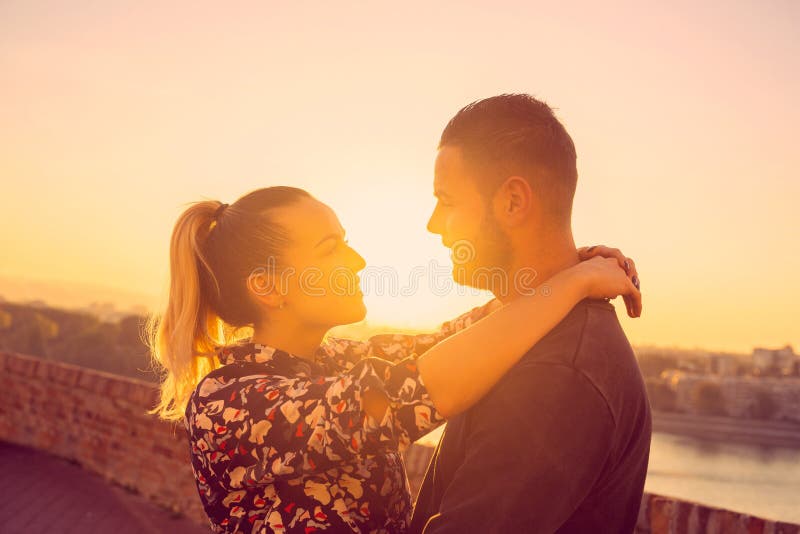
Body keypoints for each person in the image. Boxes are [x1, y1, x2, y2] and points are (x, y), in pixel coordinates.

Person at [147, 186, 640, 533]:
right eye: (330, 249)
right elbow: (417, 391)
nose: (357, 261)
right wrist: (571, 284)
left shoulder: (338, 359)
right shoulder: (228, 404)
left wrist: (563, 267)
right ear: (268, 287)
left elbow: (460, 338)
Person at [409, 94, 652, 534]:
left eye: (446, 201)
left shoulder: (557, 376)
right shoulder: (529, 332)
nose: (432, 224)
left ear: (514, 202)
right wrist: (571, 275)